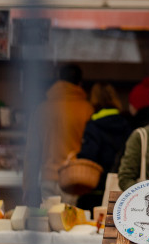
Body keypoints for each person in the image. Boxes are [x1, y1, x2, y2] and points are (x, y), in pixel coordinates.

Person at [26, 63, 93, 204]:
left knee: (49, 222)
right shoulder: (87, 109)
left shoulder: (42, 109)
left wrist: (28, 186)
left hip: (47, 177)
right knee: (73, 223)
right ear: (80, 83)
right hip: (74, 178)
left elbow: (32, 152)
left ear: (58, 80)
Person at [76, 83, 132, 211]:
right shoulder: (126, 124)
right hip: (119, 188)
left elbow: (88, 156)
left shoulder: (93, 126)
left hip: (96, 190)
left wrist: (77, 158)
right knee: (114, 228)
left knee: (93, 228)